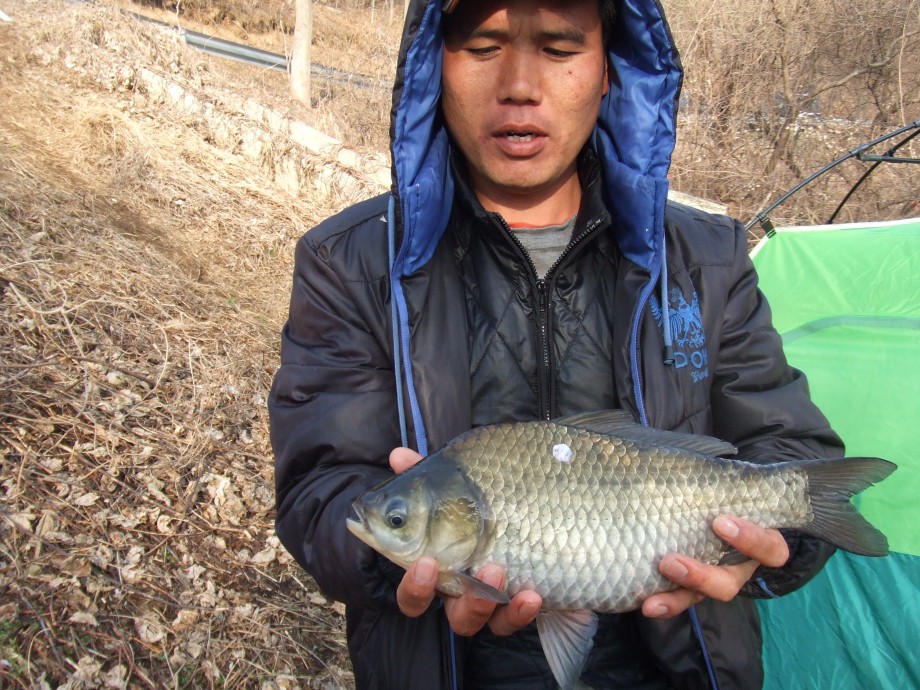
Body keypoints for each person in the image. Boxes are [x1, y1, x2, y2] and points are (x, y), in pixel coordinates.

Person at [269, 0, 843, 688]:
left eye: (560, 49)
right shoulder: (351, 262)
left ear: (608, 72)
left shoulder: (708, 258)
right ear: (432, 66)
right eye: (483, 47)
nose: (519, 85)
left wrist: (767, 550)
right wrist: (401, 563)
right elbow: (318, 494)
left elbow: (795, 452)